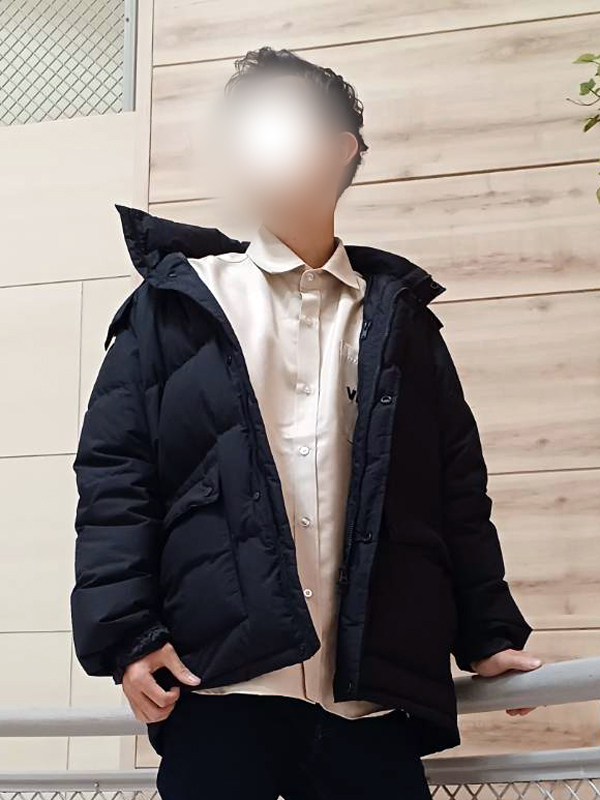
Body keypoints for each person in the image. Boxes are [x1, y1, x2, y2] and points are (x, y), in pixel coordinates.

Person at [71, 47, 540, 799]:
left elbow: (454, 492)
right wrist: (128, 635)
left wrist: (489, 635)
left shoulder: (401, 322)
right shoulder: (175, 304)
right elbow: (116, 480)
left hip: (372, 706)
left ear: (339, 148)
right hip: (221, 694)